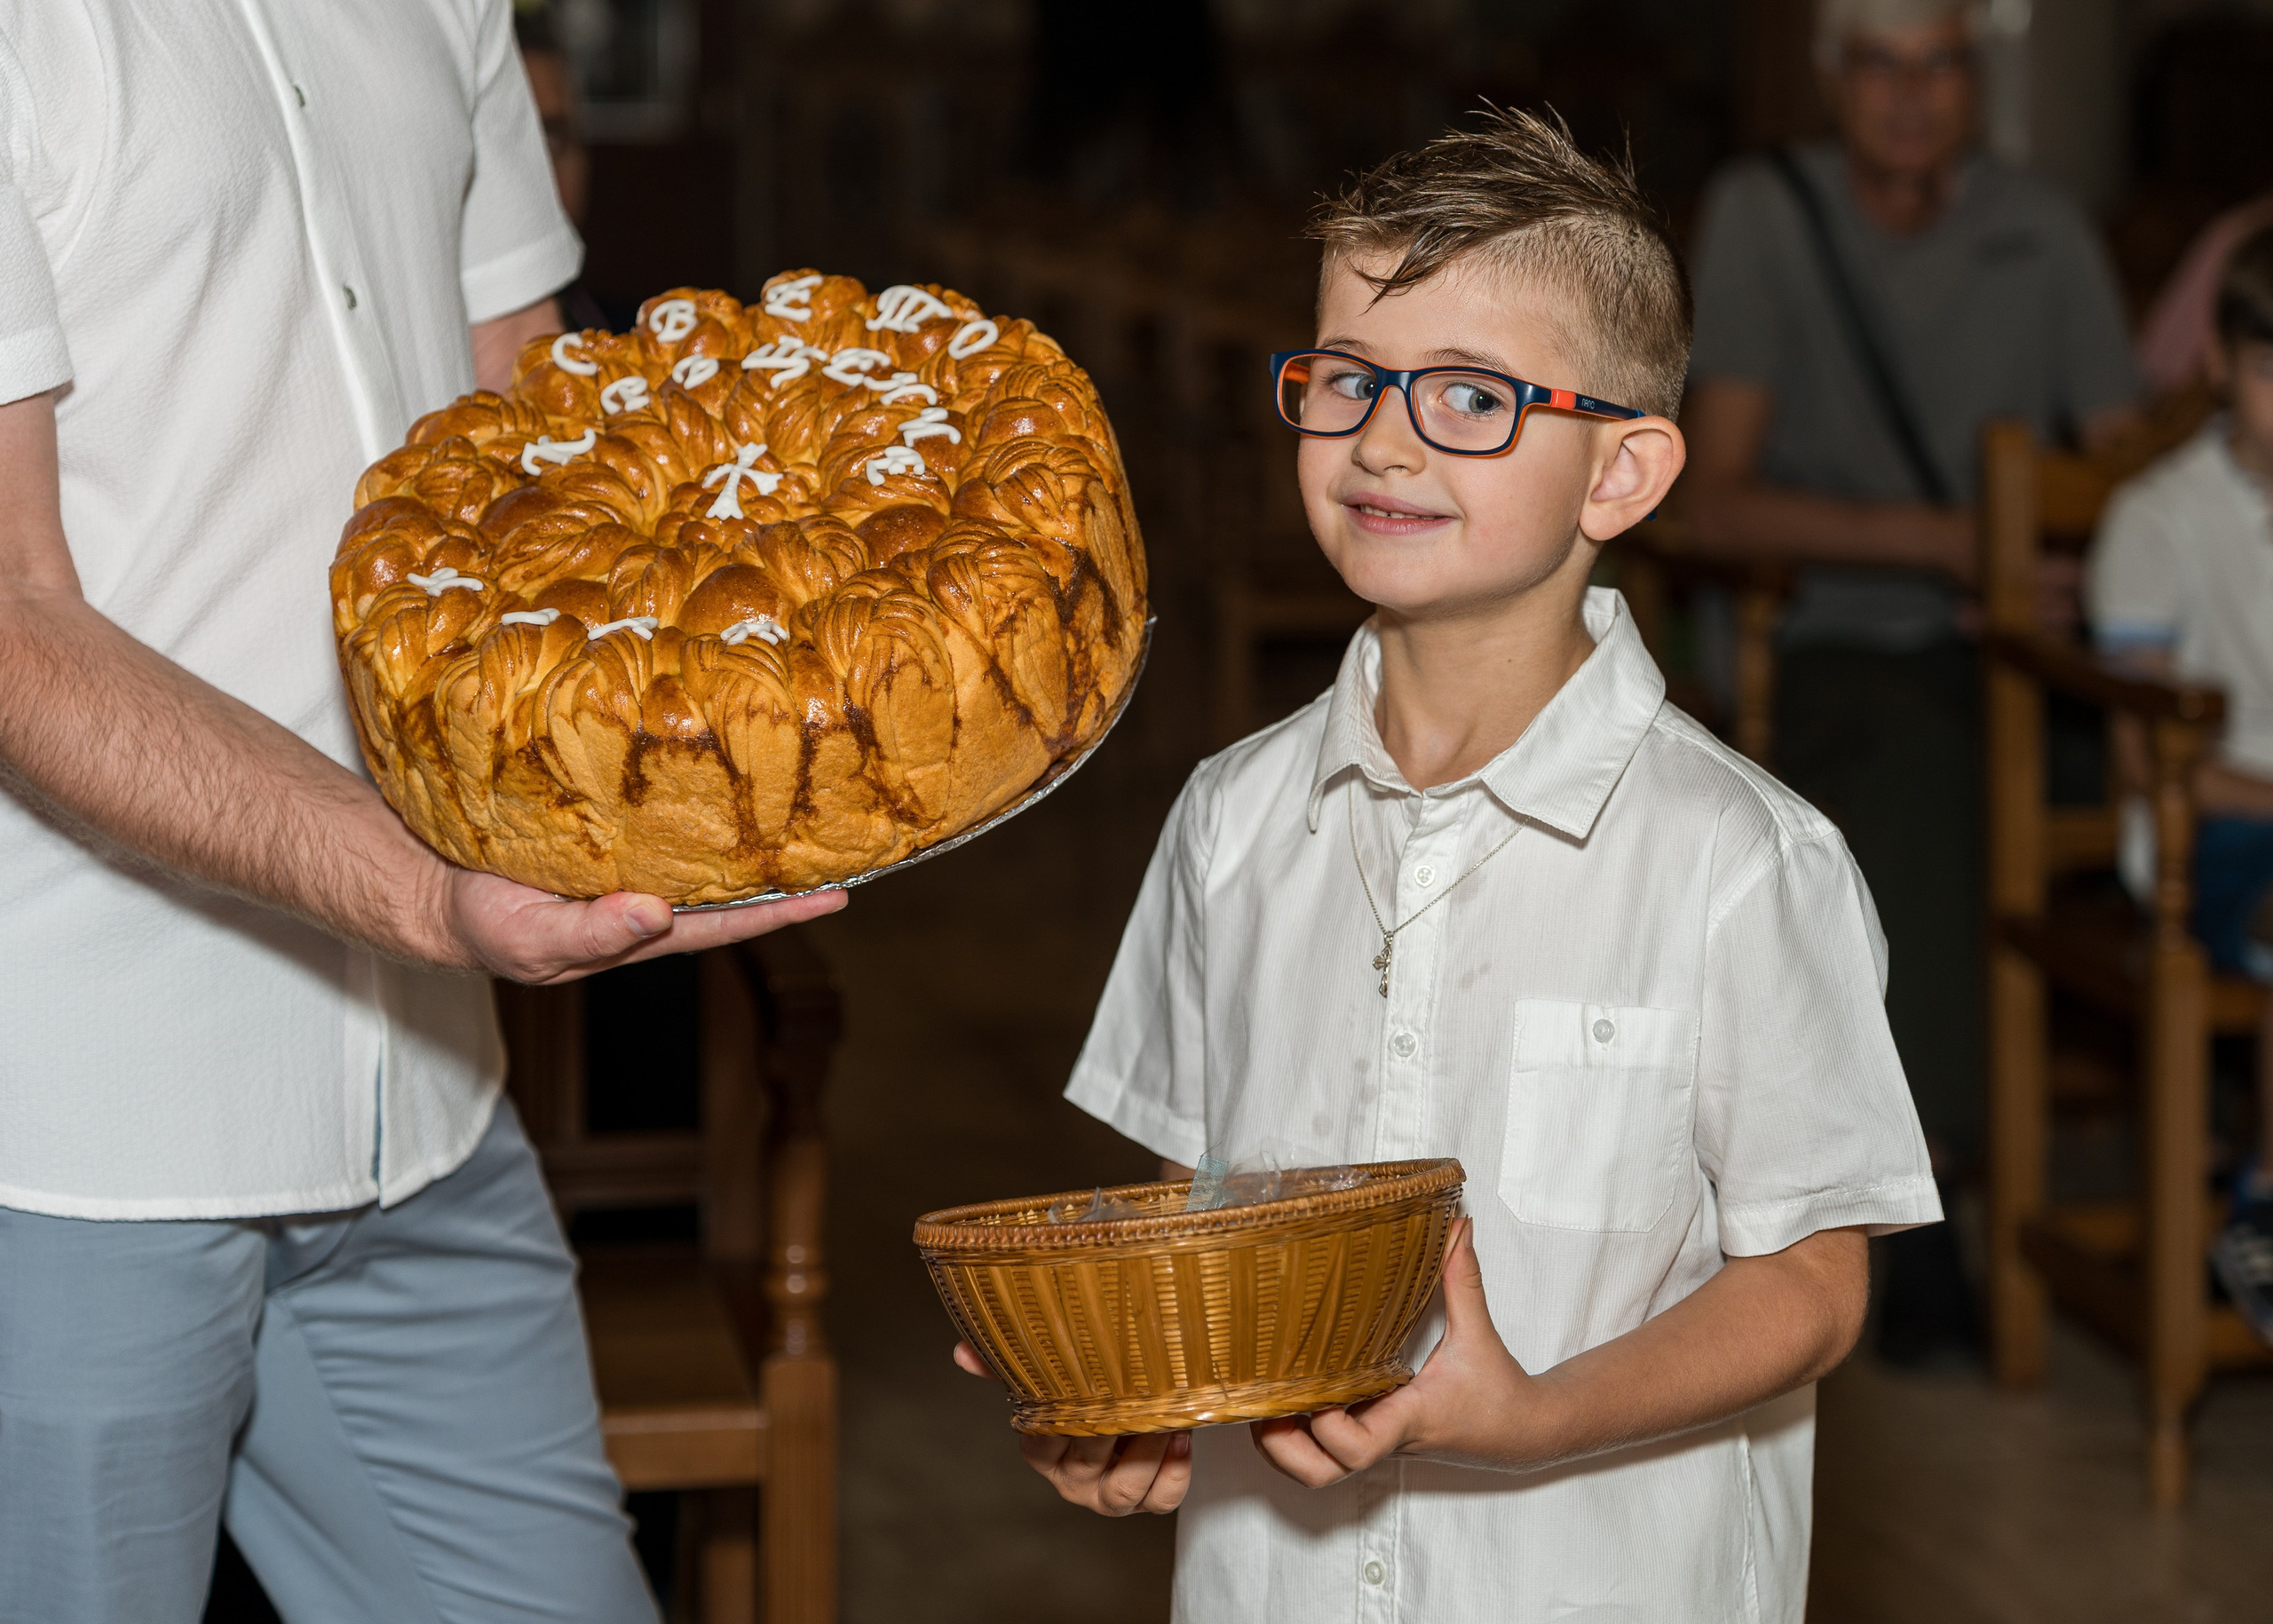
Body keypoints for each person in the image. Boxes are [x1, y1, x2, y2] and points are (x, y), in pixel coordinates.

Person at [955, 109, 1938, 1622]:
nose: (1385, 435)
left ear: (1622, 473)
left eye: (1473, 394)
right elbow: (1193, 1204)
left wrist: (1533, 1410)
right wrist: (1132, 1383)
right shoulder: (1229, 818)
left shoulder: (1740, 861)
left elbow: (1811, 1288)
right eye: (1347, 376)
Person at [0, 4, 839, 1620]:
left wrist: (780, 712)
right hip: (72, 1142)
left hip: (430, 1102)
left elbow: (536, 432)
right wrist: (416, 886)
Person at [1679, 0, 2142, 1359]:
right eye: (1878, 64)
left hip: (2027, 645)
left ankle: (2216, 1159)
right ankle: (1921, 1196)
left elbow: (2124, 462)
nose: (1908, 96)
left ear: (1972, 82)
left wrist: (2093, 574)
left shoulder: (2041, 230)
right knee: (1929, 788)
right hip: (1835, 637)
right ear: (1832, 78)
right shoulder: (1768, 215)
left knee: (2173, 774)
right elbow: (1719, 501)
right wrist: (1953, 544)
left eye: (1938, 64)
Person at [2087, 223, 2273, 1345]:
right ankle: (2263, 1199)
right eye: (2272, 369)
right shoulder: (2156, 518)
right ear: (2220, 362)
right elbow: (2151, 764)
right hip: (2207, 837)